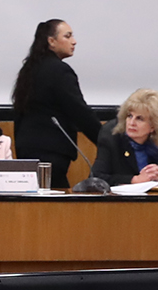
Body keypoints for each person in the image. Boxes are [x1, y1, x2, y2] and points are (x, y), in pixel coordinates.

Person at [11, 19, 99, 189]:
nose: (74, 41)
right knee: (56, 200)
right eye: (68, 36)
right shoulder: (59, 70)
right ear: (51, 41)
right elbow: (79, 111)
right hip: (51, 153)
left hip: (26, 150)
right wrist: (105, 140)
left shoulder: (28, 69)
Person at [90, 89, 158, 187]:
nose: (132, 123)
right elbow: (96, 177)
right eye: (130, 116)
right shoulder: (111, 138)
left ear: (153, 126)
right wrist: (135, 180)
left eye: (139, 119)